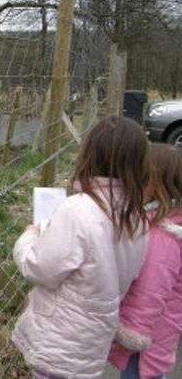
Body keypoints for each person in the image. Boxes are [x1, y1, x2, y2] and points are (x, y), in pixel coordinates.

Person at [11, 116, 151, 378]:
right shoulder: (137, 218)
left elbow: (40, 269)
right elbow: (131, 273)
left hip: (59, 341)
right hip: (92, 342)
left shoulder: (78, 210)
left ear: (89, 154)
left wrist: (29, 237)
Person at [108, 142, 182, 379]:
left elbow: (149, 293)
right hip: (156, 331)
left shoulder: (162, 237)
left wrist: (131, 335)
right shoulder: (166, 219)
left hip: (146, 338)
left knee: (140, 375)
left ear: (156, 183)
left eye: (141, 175)